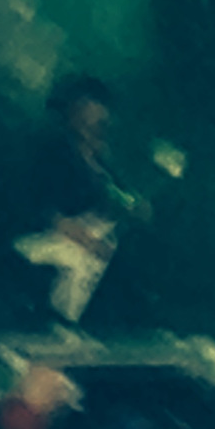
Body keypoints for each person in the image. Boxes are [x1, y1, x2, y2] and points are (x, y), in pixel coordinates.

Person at [15, 75, 145, 327]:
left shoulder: (101, 158)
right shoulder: (54, 153)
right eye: (85, 106)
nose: (93, 116)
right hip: (54, 239)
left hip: (95, 242)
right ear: (71, 110)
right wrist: (88, 240)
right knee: (77, 268)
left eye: (98, 108)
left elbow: (121, 196)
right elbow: (44, 208)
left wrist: (135, 206)